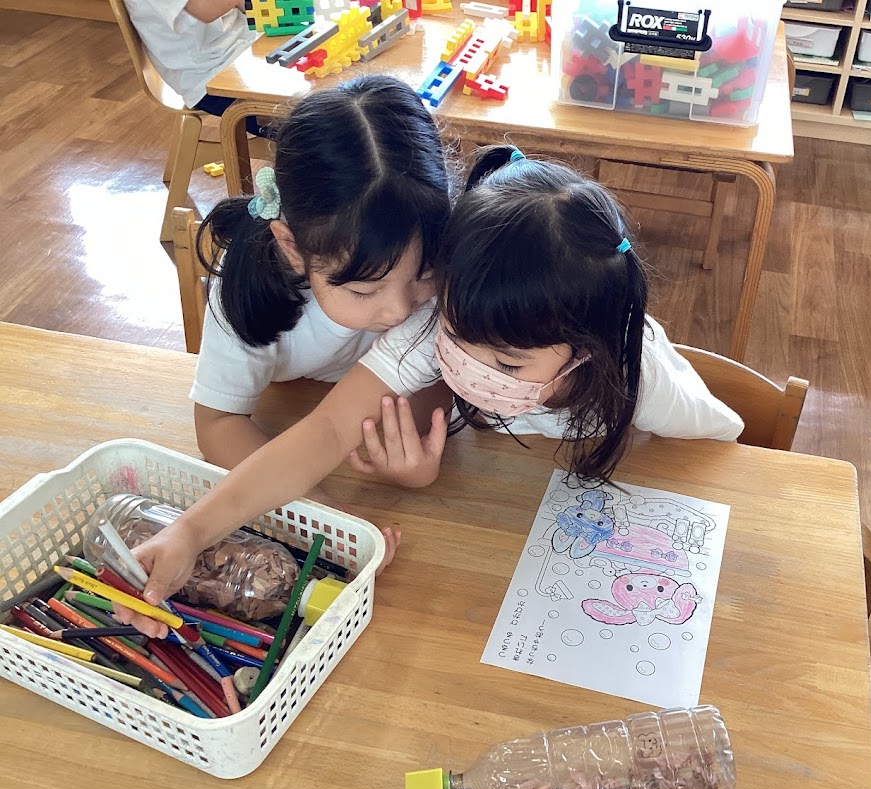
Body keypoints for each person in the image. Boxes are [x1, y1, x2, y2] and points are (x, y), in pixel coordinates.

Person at [118, 147, 741, 637]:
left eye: (506, 362)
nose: (467, 364)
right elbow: (325, 431)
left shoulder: (640, 377)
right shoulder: (431, 324)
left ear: (586, 350)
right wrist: (190, 532)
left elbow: (723, 452)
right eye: (457, 335)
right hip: (486, 522)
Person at [188, 74, 452, 502]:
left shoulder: (446, 251)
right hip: (293, 410)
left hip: (344, 416)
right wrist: (320, 510)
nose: (400, 311)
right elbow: (217, 425)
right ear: (292, 248)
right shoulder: (243, 286)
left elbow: (436, 379)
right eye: (364, 291)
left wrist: (415, 451)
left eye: (424, 274)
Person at [123, 0, 265, 132]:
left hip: (242, 48)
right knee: (277, 109)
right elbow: (206, 9)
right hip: (209, 76)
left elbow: (243, 5)